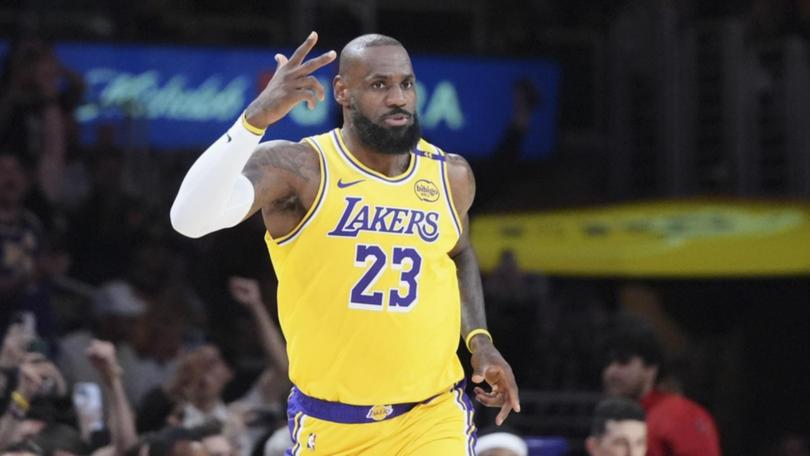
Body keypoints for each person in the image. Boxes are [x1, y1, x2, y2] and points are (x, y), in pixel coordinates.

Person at [170, 31, 520, 454]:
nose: (398, 98)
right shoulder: (301, 169)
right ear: (342, 91)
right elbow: (189, 220)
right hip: (331, 424)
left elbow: (459, 252)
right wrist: (255, 119)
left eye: (406, 84)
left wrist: (480, 341)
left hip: (432, 417)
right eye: (379, 85)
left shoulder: (450, 175)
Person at [601, 320, 721, 456]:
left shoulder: (680, 416)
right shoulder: (614, 420)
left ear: (650, 368)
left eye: (623, 362)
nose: (611, 371)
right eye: (608, 363)